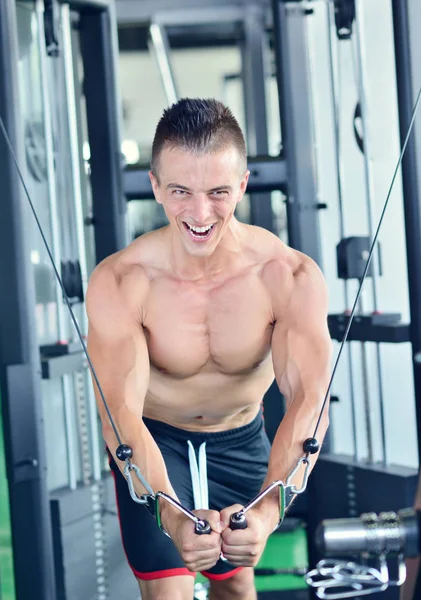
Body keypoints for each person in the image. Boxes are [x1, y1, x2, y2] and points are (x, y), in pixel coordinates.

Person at [86, 98, 332, 600]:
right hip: (158, 440)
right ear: (155, 186)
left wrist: (266, 513)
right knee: (169, 593)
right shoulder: (122, 280)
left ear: (242, 184)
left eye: (218, 192)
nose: (200, 214)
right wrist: (173, 519)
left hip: (239, 439)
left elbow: (311, 398)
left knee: (237, 588)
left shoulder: (288, 276)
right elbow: (120, 414)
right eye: (180, 191)